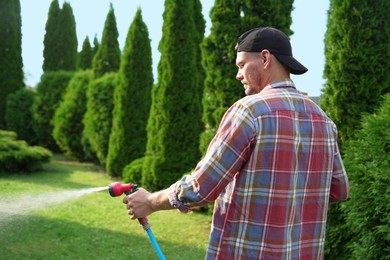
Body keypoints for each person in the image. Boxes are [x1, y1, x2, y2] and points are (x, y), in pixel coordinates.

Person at [123, 26, 349, 259]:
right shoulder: (323, 121)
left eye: (241, 65)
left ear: (264, 58)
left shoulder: (250, 111)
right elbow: (340, 190)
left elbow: (201, 188)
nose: (238, 75)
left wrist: (150, 201)